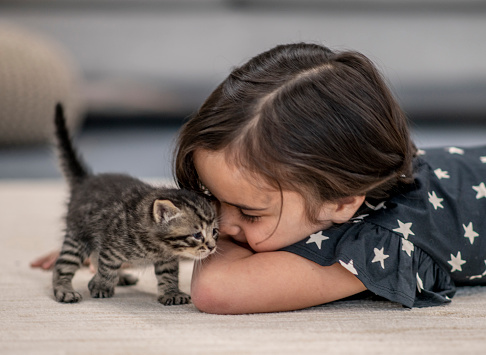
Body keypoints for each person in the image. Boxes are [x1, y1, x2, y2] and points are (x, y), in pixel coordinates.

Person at [33, 43, 486, 314]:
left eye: (249, 211)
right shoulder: (327, 190)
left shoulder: (379, 242)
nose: (223, 223)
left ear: (342, 202)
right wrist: (127, 239)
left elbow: (217, 290)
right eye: (211, 199)